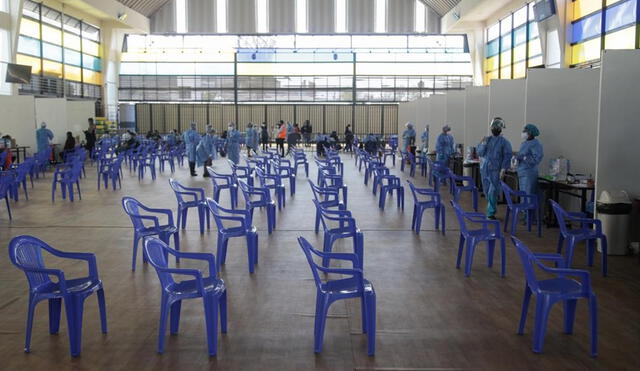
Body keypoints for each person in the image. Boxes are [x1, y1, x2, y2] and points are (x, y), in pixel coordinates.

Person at [477, 118, 513, 220]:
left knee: (493, 191)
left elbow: (507, 155)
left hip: (496, 170)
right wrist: (483, 144)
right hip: (485, 169)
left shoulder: (504, 142)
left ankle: (491, 213)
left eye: (496, 128)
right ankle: (491, 208)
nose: (494, 129)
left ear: (500, 129)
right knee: (486, 190)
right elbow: (480, 153)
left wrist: (503, 169)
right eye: (493, 127)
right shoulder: (486, 140)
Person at [516, 123, 543, 196]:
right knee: (523, 195)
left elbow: (536, 159)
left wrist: (524, 158)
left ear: (530, 133)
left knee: (528, 195)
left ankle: (527, 208)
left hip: (529, 174)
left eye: (525, 131)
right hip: (522, 172)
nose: (523, 133)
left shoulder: (536, 144)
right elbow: (521, 155)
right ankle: (524, 207)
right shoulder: (525, 143)